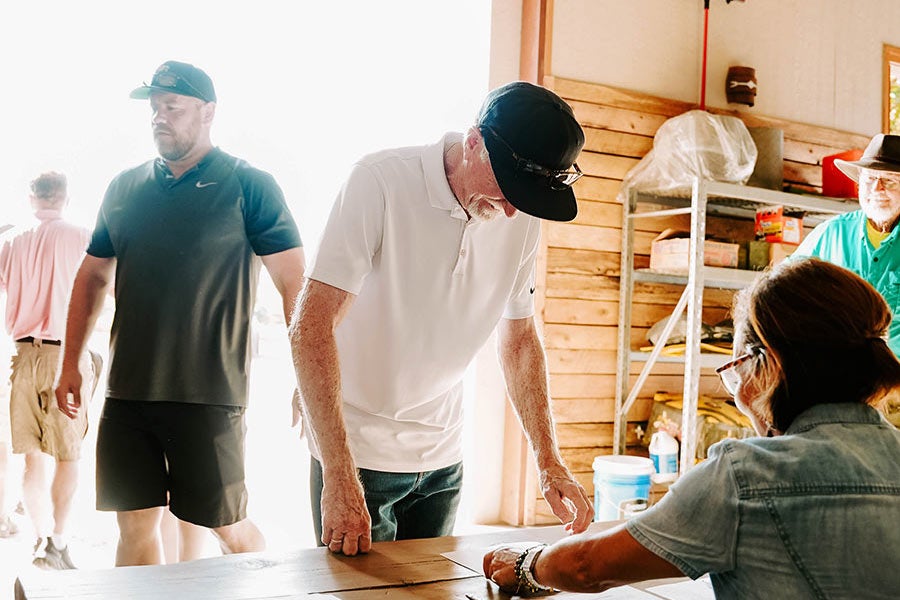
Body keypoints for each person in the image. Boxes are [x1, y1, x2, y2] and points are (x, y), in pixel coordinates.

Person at [290, 81, 594, 557]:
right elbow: (311, 327)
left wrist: (548, 457)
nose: (513, 208)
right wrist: (337, 472)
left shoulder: (520, 214)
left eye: (527, 196)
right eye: (510, 188)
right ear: (474, 142)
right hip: (359, 456)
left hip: (443, 459)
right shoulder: (380, 181)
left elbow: (518, 342)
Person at [484, 258, 900, 598]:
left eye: (734, 369)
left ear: (767, 365)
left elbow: (587, 566)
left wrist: (527, 564)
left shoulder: (744, 477)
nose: (738, 394)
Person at [54, 60, 306, 567]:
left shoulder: (249, 185)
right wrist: (70, 362)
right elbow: (92, 276)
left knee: (226, 525)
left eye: (172, 107)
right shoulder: (124, 189)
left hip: (210, 395)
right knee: (133, 525)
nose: (158, 118)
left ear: (208, 111)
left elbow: (294, 284)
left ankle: (273, 585)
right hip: (129, 392)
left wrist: (307, 375)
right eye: (154, 109)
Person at [0, 172, 98, 569]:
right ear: (65, 196)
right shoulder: (83, 236)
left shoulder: (10, 242)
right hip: (66, 356)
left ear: (32, 198)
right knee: (68, 455)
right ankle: (58, 541)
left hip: (22, 356)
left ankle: (41, 540)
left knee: (32, 457)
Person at [793, 133, 900, 424]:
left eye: (889, 180)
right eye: (868, 179)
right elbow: (784, 288)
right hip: (837, 388)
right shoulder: (831, 234)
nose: (876, 188)